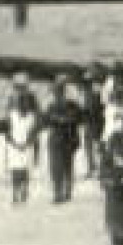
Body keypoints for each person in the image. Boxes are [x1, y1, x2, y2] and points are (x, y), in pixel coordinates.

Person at [43, 75, 83, 203]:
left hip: (59, 138)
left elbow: (45, 121)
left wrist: (59, 120)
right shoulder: (71, 104)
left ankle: (60, 192)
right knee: (66, 166)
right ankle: (65, 192)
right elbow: (78, 119)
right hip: (66, 137)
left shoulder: (53, 105)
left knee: (58, 167)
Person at [5, 83, 40, 205]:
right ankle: (15, 192)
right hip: (14, 145)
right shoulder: (12, 115)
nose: (21, 105)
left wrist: (27, 143)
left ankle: (24, 190)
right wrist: (14, 144)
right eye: (18, 102)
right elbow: (7, 132)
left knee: (25, 169)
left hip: (26, 145)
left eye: (23, 102)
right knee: (15, 170)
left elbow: (34, 132)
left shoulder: (31, 116)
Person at [76, 65, 106, 178]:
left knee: (95, 146)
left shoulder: (95, 88)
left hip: (95, 119)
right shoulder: (89, 88)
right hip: (92, 119)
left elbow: (101, 103)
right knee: (92, 146)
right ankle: (93, 168)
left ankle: (95, 168)